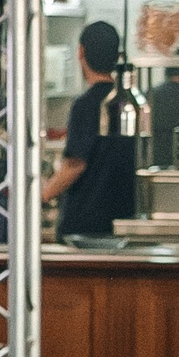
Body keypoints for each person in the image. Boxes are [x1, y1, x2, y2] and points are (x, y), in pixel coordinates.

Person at [41, 19, 139, 238]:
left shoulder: (85, 105)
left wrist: (44, 194)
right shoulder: (129, 103)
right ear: (118, 56)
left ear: (80, 52)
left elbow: (75, 164)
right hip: (123, 218)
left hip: (85, 222)